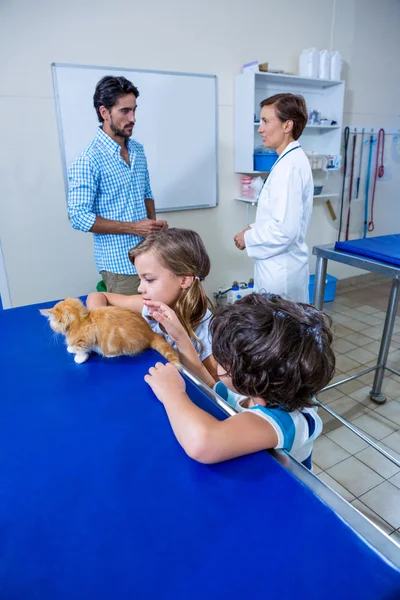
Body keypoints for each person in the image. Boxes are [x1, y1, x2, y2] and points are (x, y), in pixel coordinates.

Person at [144, 293, 335, 468]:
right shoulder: (257, 390)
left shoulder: (285, 421)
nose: (216, 360)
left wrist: (172, 394)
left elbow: (202, 444)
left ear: (245, 377)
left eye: (221, 360)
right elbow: (211, 387)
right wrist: (180, 337)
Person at [68, 75, 168, 295]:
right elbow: (78, 216)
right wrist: (133, 227)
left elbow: (146, 193)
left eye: (134, 110)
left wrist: (152, 228)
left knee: (154, 323)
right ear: (104, 112)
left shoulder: (138, 151)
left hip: (149, 256)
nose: (132, 118)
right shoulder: (88, 159)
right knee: (130, 328)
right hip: (119, 266)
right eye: (125, 111)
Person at [86, 228, 218, 384]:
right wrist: (102, 320)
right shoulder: (147, 305)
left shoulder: (207, 329)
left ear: (184, 280)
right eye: (140, 279)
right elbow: (97, 296)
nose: (140, 288)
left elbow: (215, 388)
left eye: (149, 279)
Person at [234, 93, 313, 303]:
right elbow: (279, 216)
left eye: (266, 121)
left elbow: (285, 230)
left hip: (281, 273)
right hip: (279, 267)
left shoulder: (289, 167)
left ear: (287, 125)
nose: (260, 128)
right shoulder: (288, 160)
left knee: (281, 333)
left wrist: (247, 238)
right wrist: (253, 227)